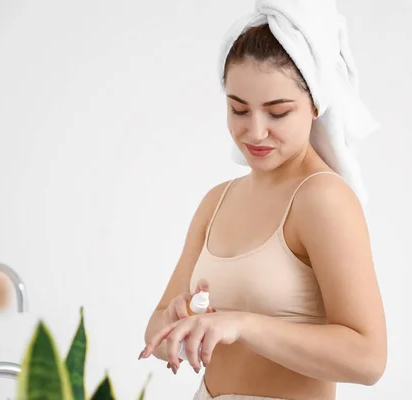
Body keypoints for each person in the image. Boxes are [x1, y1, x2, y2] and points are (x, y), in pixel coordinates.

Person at [140, 4, 387, 400]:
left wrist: (244, 325)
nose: (255, 131)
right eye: (238, 109)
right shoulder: (217, 201)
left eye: (278, 112)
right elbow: (156, 328)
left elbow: (369, 359)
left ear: (315, 104)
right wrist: (177, 323)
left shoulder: (322, 199)